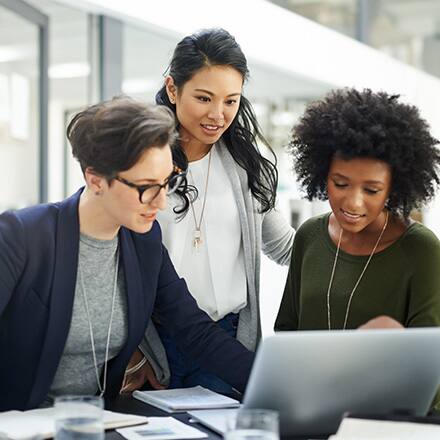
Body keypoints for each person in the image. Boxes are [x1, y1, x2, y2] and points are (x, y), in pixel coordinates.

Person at [0, 97, 254, 412]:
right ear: (95, 180)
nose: (160, 202)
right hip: (18, 423)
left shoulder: (143, 243)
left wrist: (273, 383)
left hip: (98, 423)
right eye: (147, 187)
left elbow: (194, 330)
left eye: (166, 183)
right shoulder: (21, 236)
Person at [122, 28, 295, 394]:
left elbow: (285, 247)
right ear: (172, 89)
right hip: (155, 345)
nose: (218, 114)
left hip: (228, 340)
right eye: (204, 98)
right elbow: (114, 261)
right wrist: (134, 351)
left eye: (231, 101)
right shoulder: (139, 162)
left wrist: (358, 236)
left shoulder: (248, 165)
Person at [275, 88, 440, 336]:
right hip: (308, 376)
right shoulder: (309, 236)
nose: (353, 204)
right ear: (322, 175)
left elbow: (427, 356)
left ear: (392, 189)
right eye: (340, 184)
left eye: (372, 190)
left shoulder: (420, 249)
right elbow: (286, 330)